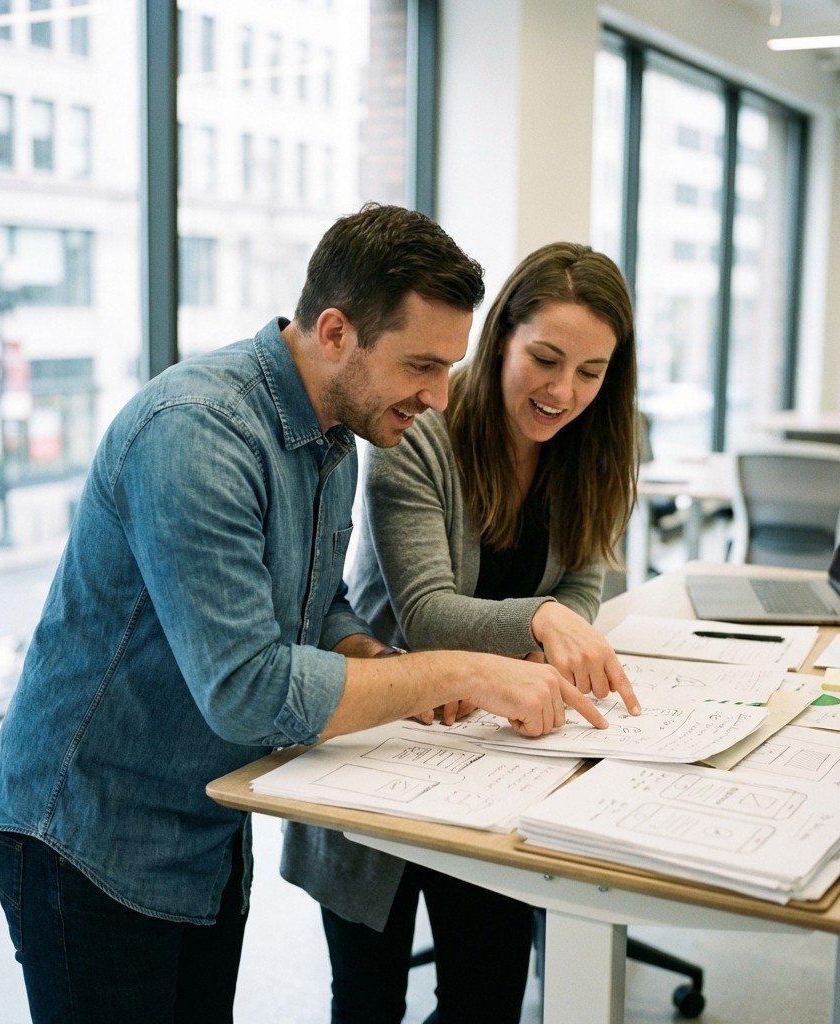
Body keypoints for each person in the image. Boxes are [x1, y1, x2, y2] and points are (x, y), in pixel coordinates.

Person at [0, 205, 609, 1024]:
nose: (440, 396)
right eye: (421, 365)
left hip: (204, 826)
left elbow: (315, 603)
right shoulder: (197, 433)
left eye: (449, 367)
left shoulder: (334, 436)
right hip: (90, 833)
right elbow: (247, 688)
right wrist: (453, 671)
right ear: (336, 332)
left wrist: (372, 658)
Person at [281, 241, 642, 1024]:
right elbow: (429, 613)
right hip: (388, 744)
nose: (563, 392)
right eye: (544, 359)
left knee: (487, 999)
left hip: (505, 765)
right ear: (501, 335)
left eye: (591, 372)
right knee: (368, 1000)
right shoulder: (420, 430)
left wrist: (559, 623)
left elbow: (582, 584)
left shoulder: (598, 446)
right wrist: (542, 620)